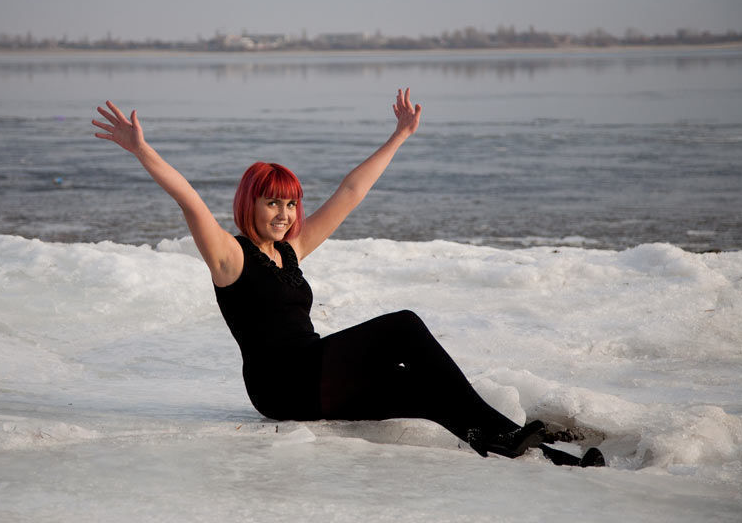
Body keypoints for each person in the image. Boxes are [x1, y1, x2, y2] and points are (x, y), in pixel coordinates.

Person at [92, 89, 603, 467]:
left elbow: (351, 192)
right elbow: (189, 199)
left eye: (291, 203)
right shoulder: (231, 258)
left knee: (417, 387)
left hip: (315, 375)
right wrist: (142, 150)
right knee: (403, 325)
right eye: (274, 202)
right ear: (251, 202)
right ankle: (508, 431)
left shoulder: (289, 252)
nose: (286, 213)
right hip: (283, 384)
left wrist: (398, 136)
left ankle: (536, 455)